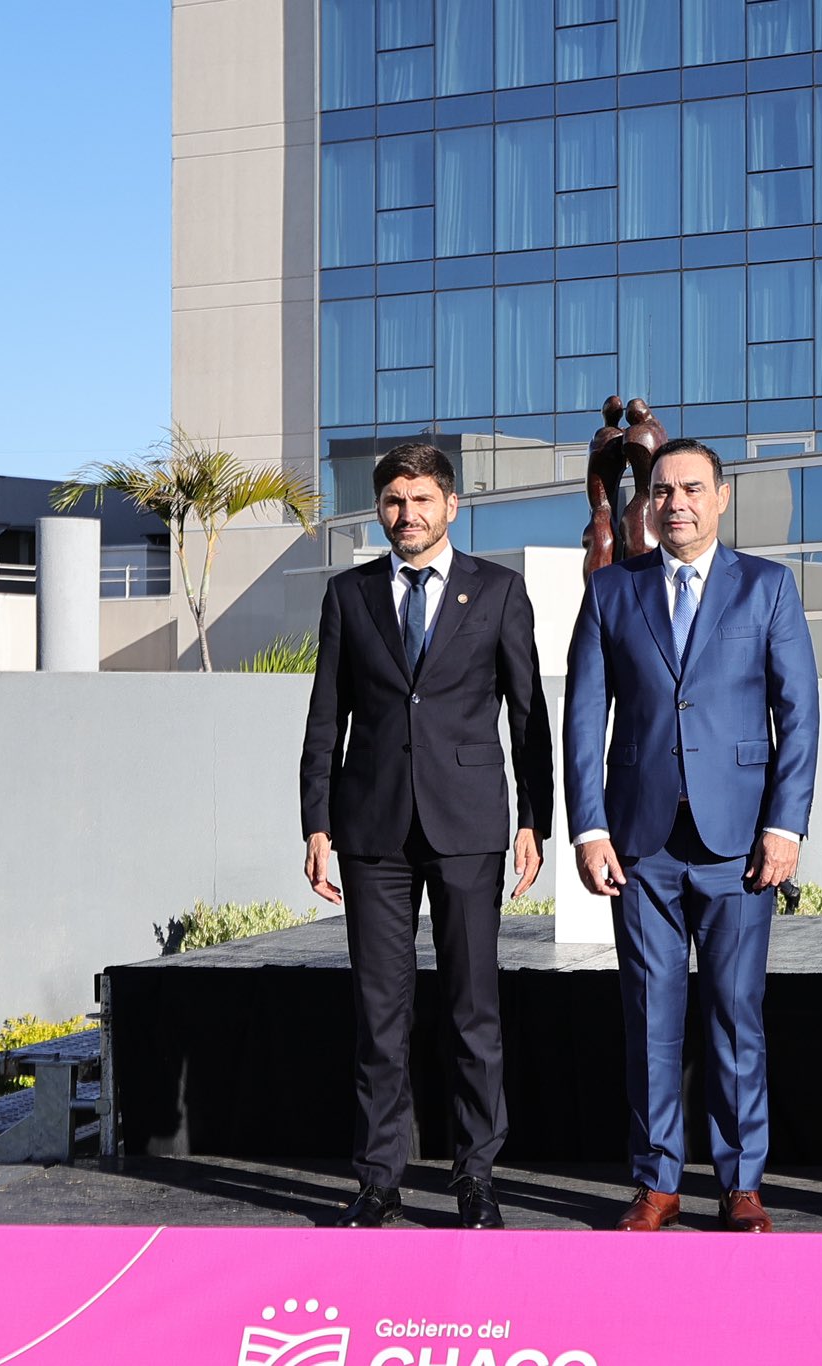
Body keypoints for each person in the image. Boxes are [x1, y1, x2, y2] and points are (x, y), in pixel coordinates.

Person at [563, 437, 819, 1234]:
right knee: (650, 1015)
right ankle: (658, 1182)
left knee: (737, 1013)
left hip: (740, 843)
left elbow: (799, 716)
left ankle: (742, 1183)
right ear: (647, 502)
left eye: (692, 489)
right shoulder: (613, 589)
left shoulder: (767, 587)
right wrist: (589, 828)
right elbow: (583, 717)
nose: (676, 503)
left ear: (721, 498)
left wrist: (784, 825)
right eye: (663, 490)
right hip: (639, 844)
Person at [299, 443, 554, 1230]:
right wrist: (316, 822)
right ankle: (380, 1177)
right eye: (393, 501)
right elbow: (325, 718)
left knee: (473, 1010)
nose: (406, 514)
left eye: (420, 500)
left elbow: (528, 715)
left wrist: (534, 819)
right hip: (371, 828)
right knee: (380, 1014)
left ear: (451, 505)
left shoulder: (499, 591)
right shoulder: (349, 595)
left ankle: (476, 1177)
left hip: (468, 824)